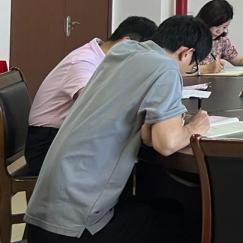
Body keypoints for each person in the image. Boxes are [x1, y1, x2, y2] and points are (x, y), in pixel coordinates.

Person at [24, 15, 212, 243]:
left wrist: (166, 123)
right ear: (185, 53)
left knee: (163, 213)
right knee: (192, 235)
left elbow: (148, 133)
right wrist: (195, 126)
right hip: (73, 229)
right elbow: (165, 142)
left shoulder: (125, 52)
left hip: (42, 219)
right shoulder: (164, 68)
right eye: (193, 65)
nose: (188, 70)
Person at [24, 16, 158, 176]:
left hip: (68, 134)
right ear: (126, 42)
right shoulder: (84, 61)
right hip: (48, 143)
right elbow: (91, 105)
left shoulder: (107, 58)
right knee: (132, 154)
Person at [195, 0, 243, 73]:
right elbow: (184, 69)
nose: (219, 31)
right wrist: (206, 69)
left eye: (224, 27)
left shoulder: (221, 41)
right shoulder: (191, 38)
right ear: (206, 20)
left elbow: (238, 60)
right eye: (216, 26)